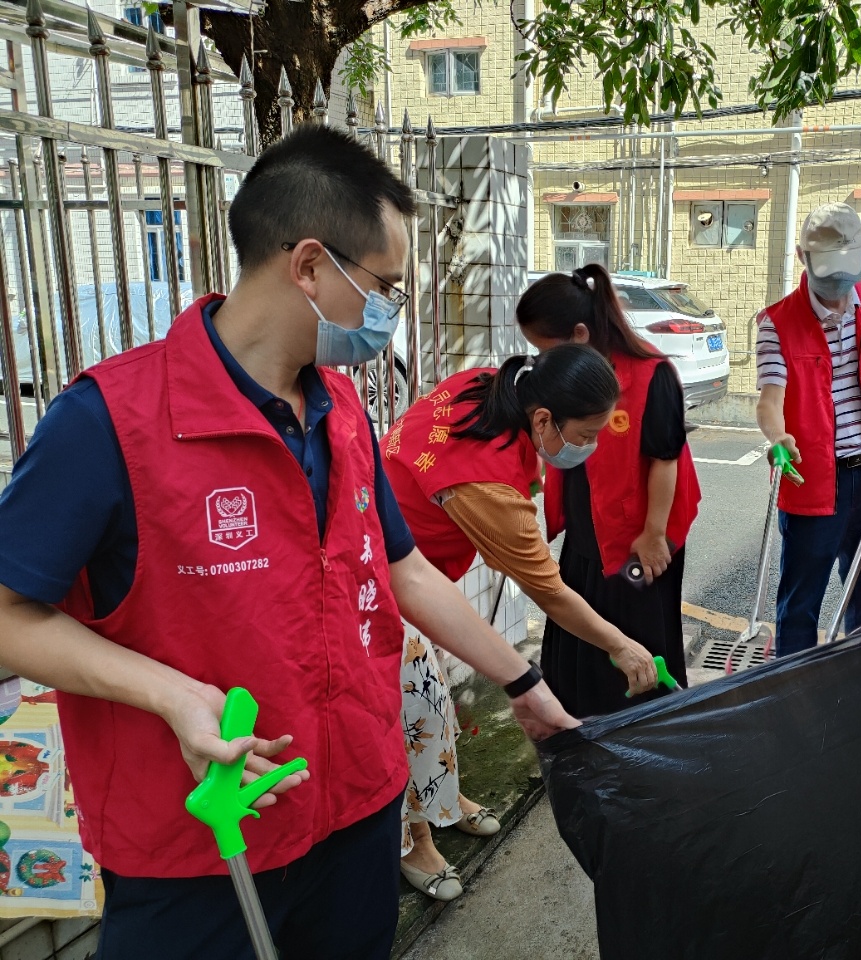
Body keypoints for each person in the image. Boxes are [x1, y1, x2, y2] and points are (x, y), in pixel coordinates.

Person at [0, 126, 576, 959]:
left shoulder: (339, 407)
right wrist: (170, 694)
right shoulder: (110, 422)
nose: (389, 314)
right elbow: (11, 612)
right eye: (385, 287)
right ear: (309, 266)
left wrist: (522, 680)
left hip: (356, 810)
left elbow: (404, 568)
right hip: (205, 845)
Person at [382, 345, 658, 895]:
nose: (591, 446)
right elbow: (551, 594)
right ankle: (412, 840)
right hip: (378, 576)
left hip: (420, 568)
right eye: (584, 436)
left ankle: (442, 795)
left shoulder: (496, 382)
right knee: (414, 705)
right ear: (542, 419)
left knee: (429, 696)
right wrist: (621, 645)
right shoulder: (485, 483)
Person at [516, 265, 700, 717]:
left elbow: (665, 457)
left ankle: (645, 746)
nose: (542, 361)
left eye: (546, 349)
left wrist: (654, 534)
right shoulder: (569, 375)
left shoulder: (650, 374)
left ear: (580, 333)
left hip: (636, 541)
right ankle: (579, 734)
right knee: (576, 651)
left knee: (638, 651)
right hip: (586, 533)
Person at [754, 203, 861, 655]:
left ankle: (859, 674)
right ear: (802, 256)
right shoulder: (776, 323)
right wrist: (778, 439)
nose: (838, 284)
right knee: (800, 599)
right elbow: (769, 400)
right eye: (827, 266)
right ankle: (791, 689)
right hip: (812, 477)